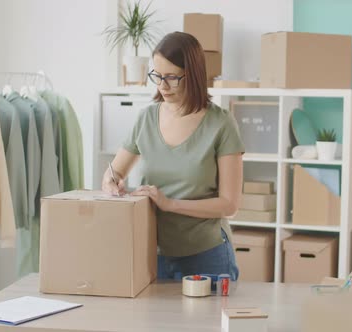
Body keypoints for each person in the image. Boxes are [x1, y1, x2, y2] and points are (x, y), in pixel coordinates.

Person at [102, 32, 245, 281]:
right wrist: (113, 185)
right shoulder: (146, 119)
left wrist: (170, 204)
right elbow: (113, 173)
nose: (162, 86)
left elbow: (229, 204)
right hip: (152, 253)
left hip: (206, 254)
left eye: (171, 77)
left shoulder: (221, 124)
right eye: (156, 75)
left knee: (205, 321)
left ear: (193, 75)